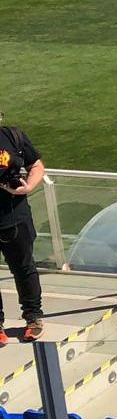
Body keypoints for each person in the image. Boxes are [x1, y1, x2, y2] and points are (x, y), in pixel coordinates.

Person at [0, 112, 45, 343]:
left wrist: (27, 188)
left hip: (15, 217)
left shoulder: (12, 136)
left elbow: (36, 166)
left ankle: (33, 317)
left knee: (24, 268)